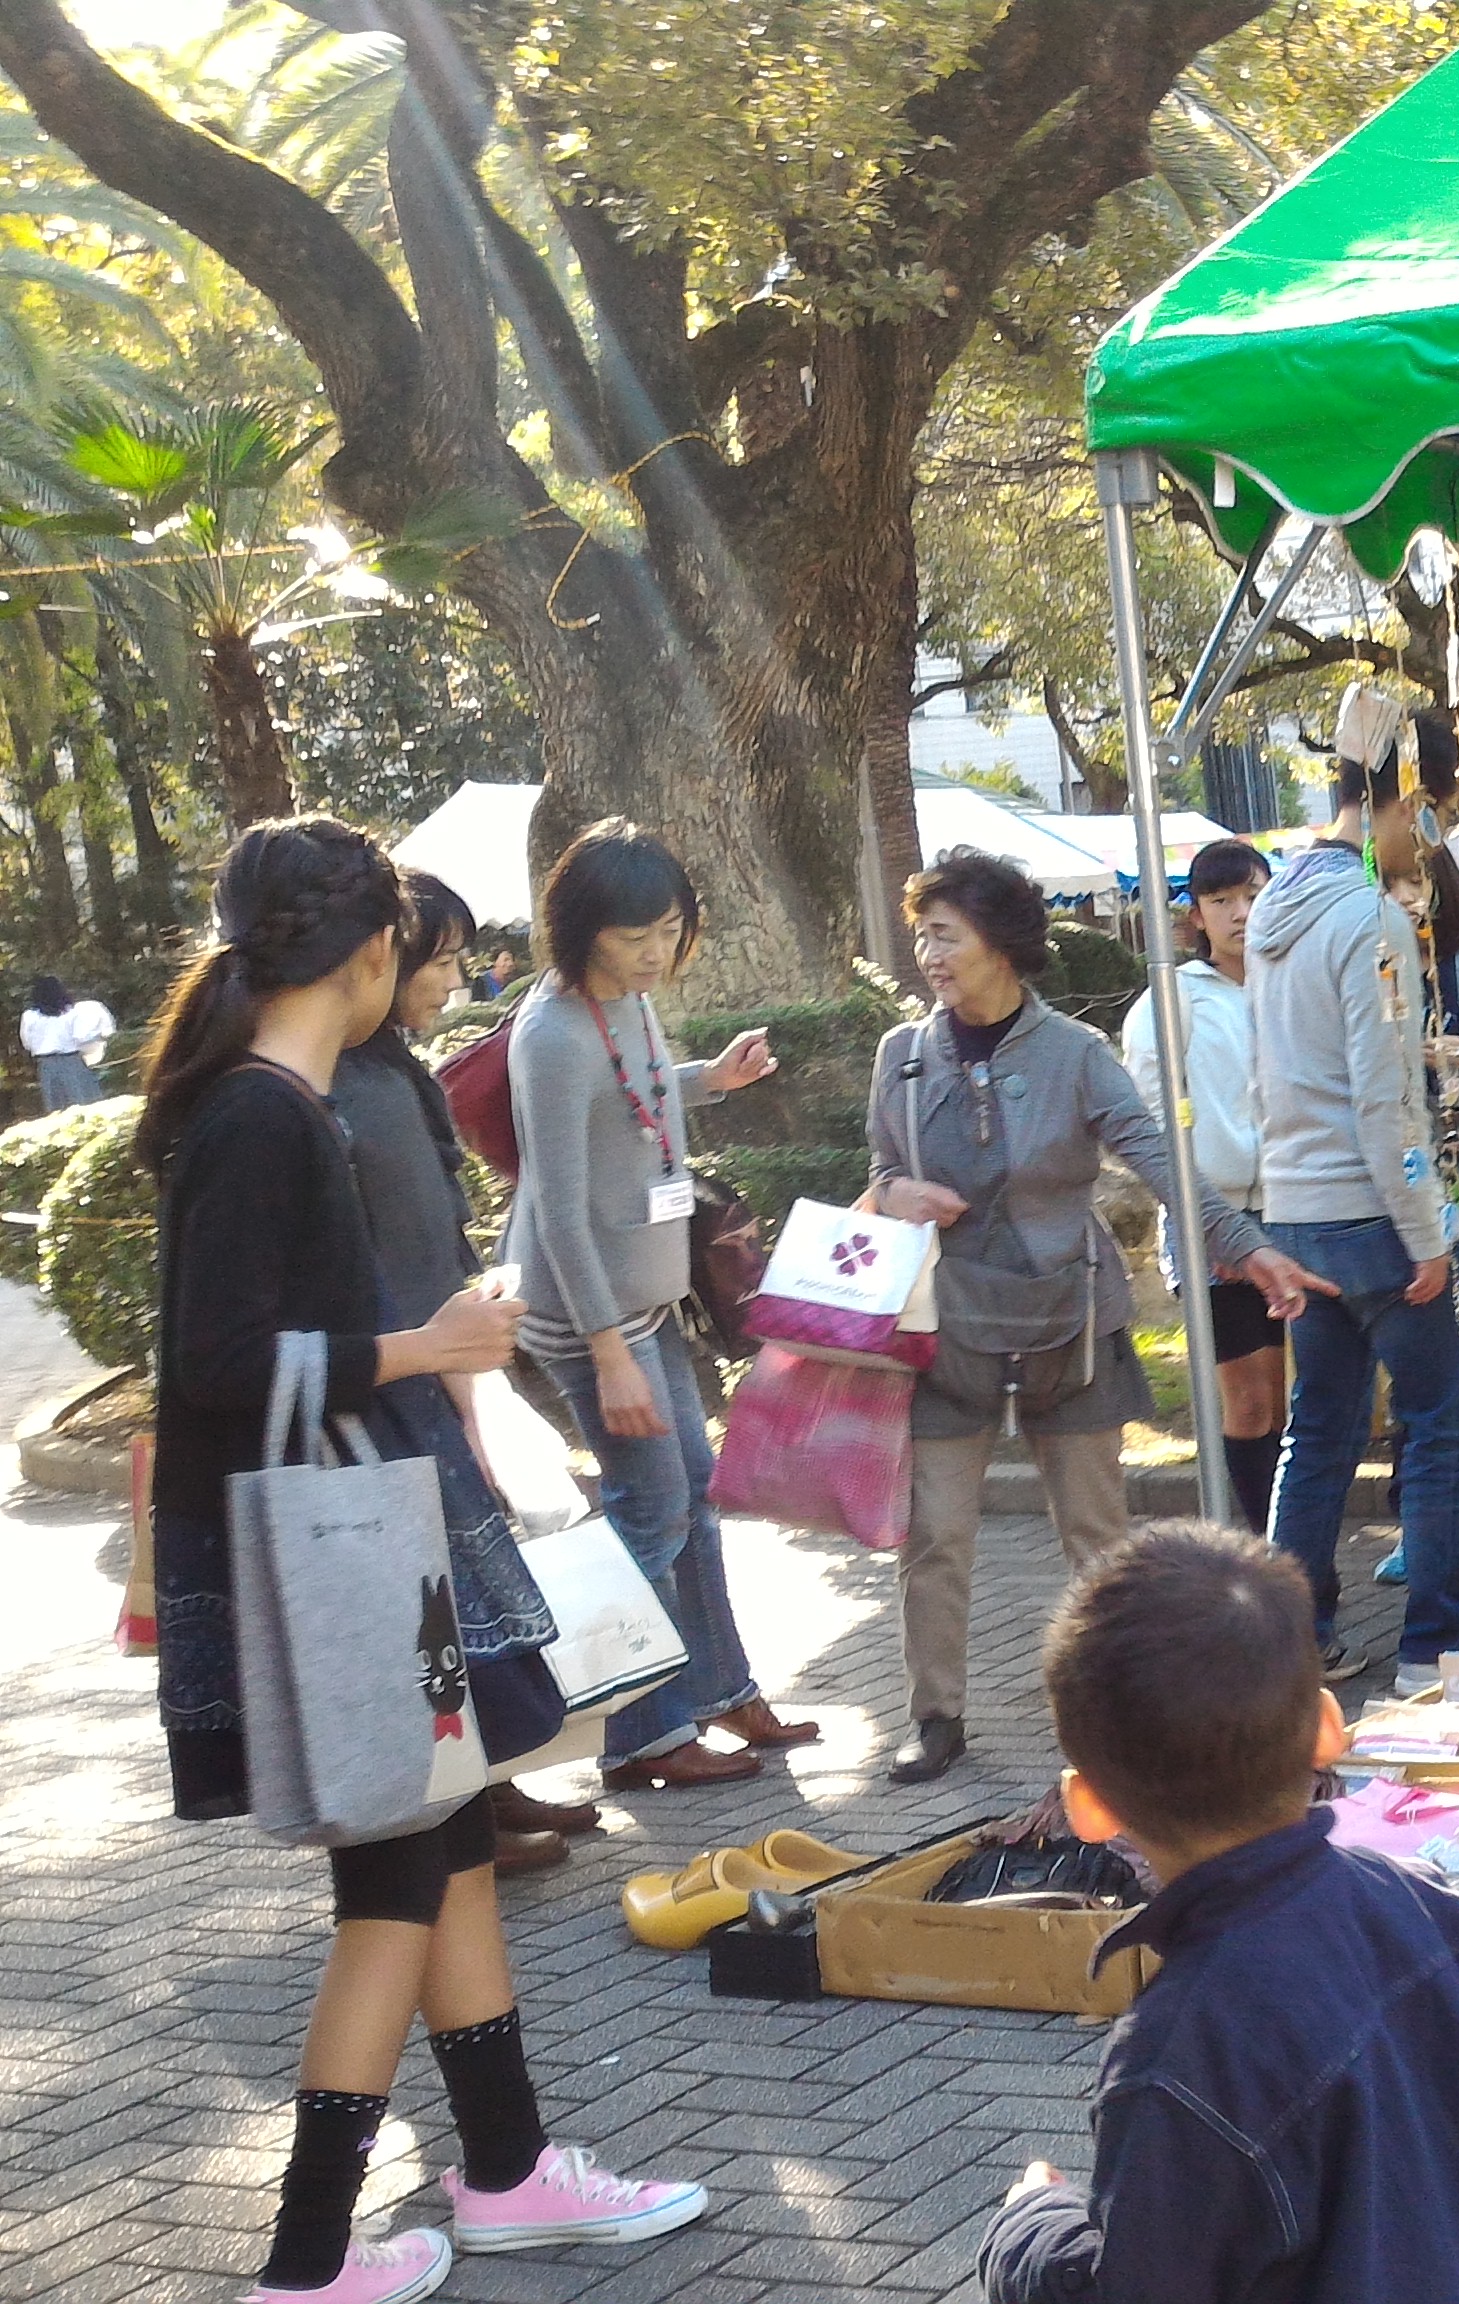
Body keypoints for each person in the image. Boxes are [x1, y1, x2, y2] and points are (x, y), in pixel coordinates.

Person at [143, 818, 710, 2304]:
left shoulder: (288, 1096)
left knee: (450, 1842)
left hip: (367, 1543)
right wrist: (425, 1343)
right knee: (395, 1883)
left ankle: (511, 2175)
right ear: (374, 949)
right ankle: (308, 2258)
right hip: (339, 1559)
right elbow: (210, 1366)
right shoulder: (264, 1115)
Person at [977, 1526, 1459, 2304]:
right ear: (1331, 1728)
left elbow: (1144, 2282)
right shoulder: (1410, 1897)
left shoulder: (1176, 2057)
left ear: (1087, 1807)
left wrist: (1032, 2232)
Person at [868, 850, 1321, 1786]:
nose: (929, 956)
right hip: (945, 1328)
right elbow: (876, 1175)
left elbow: (1157, 1157)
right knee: (935, 1535)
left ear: (999, 944)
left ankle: (1117, 1714)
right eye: (923, 937)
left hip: (1068, 1327)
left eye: (944, 936)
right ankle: (935, 1715)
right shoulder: (902, 1059)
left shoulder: (1075, 1054)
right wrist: (898, 1190)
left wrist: (1245, 1244)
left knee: (1098, 1540)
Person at [499, 820, 801, 1793]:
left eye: (670, 928)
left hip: (646, 1304)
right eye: (636, 935)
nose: (657, 952)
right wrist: (607, 1350)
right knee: (651, 1510)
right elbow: (552, 1202)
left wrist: (708, 1080)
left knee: (691, 1500)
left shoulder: (621, 1005)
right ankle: (630, 1731)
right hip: (594, 1317)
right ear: (581, 928)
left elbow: (625, 1096)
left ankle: (718, 1692)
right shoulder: (548, 1035)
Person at [337, 871, 599, 1874]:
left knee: (470, 1598)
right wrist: (439, 1356)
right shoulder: (332, 1084)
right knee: (437, 1610)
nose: (453, 978)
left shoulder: (388, 1067)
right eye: (439, 958)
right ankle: (462, 1813)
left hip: (440, 1360)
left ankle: (493, 1784)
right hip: (403, 1379)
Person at [1249, 692, 1459, 1694]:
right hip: (1371, 1214)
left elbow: (1311, 1067)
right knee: (1439, 1424)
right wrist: (1427, 1235)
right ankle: (1434, 1648)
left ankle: (1290, 1643)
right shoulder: (1371, 915)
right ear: (1406, 799)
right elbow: (1380, 1101)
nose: (1432, 842)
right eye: (1432, 816)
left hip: (1295, 1207)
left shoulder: (1273, 906)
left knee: (1322, 1427)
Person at [1119, 839, 1288, 1541]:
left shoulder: (1300, 987)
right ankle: (1254, 1552)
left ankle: (1294, 1555)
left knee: (1289, 1409)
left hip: (1299, 1217)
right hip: (1215, 1226)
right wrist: (1208, 1225)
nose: (1240, 913)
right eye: (1221, 901)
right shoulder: (1172, 1000)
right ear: (1197, 915)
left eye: (1251, 895)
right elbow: (1150, 1125)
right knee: (1247, 1404)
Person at [25, 973, 116, 1107]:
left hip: (45, 1064)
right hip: (71, 1060)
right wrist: (101, 1034)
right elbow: (81, 1037)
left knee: (55, 1106)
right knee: (85, 1102)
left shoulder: (29, 1016)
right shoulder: (70, 1012)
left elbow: (27, 1043)